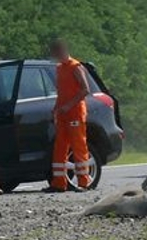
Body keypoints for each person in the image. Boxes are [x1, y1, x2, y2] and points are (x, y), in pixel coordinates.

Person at [44, 39, 92, 193]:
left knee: (78, 147)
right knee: (60, 148)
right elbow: (61, 92)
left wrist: (68, 106)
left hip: (75, 114)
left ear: (61, 51)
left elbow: (85, 89)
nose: (53, 56)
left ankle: (84, 183)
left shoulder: (75, 66)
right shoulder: (60, 68)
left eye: (54, 53)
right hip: (63, 115)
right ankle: (59, 183)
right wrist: (56, 108)